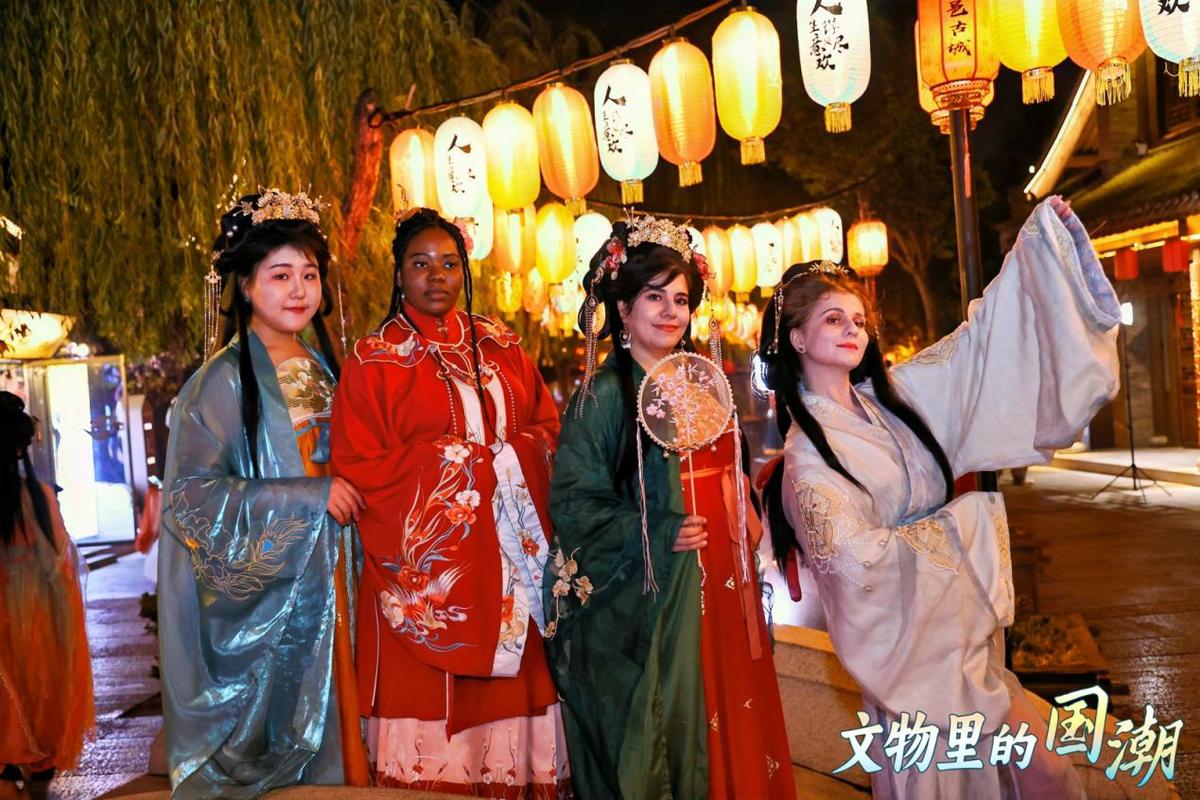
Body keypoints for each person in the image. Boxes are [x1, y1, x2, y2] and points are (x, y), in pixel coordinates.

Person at [758, 196, 1116, 798]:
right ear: (796, 337)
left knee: (1047, 773)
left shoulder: (891, 398)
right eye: (833, 320)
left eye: (857, 320)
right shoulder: (806, 457)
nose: (852, 330)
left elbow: (978, 351)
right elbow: (855, 565)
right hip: (909, 665)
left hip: (960, 638)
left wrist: (1040, 248)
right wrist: (965, 526)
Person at [544, 215, 795, 799]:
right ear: (623, 306)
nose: (670, 311)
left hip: (725, 571)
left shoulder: (703, 380)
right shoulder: (603, 394)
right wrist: (654, 530)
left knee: (735, 701)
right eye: (654, 297)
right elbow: (574, 499)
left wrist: (745, 507)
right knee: (680, 718)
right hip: (665, 582)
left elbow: (731, 466)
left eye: (680, 299)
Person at [329, 208, 569, 796]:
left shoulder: (501, 345)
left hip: (510, 561)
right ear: (398, 275)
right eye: (420, 264)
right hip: (424, 570)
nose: (436, 275)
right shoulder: (374, 360)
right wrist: (463, 465)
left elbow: (548, 428)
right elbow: (359, 465)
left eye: (449, 263)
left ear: (464, 270)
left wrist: (510, 461)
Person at [158, 190, 369, 798]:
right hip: (288, 585)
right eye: (280, 275)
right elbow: (191, 498)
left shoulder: (327, 368)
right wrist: (308, 497)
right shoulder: (220, 382)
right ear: (246, 286)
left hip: (344, 571)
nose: (299, 290)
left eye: (309, 274)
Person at [0, 392, 94, 799]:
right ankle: (37, 768)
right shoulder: (38, 496)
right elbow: (60, 562)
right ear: (21, 447)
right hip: (35, 613)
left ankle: (8, 768)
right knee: (38, 689)